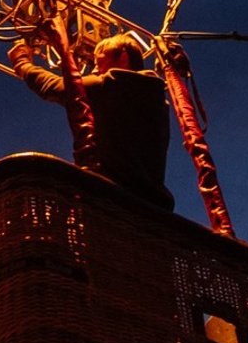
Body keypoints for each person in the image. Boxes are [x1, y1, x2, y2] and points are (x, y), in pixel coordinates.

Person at [10, 31, 174, 210]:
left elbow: (55, 87)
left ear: (123, 59)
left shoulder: (113, 85)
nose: (94, 71)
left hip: (115, 201)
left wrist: (22, 63)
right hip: (153, 207)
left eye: (99, 62)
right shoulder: (158, 102)